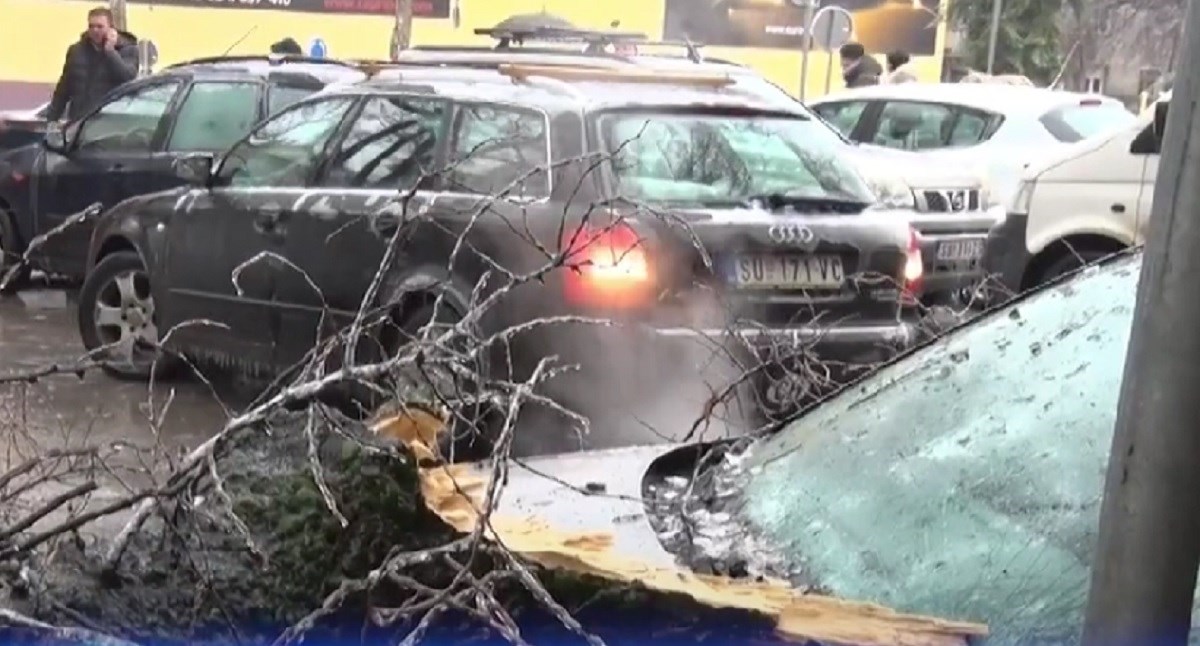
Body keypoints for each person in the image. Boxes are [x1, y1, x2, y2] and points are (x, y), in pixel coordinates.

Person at [45, 7, 139, 124]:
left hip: (109, 121)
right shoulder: (77, 50)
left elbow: (128, 78)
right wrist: (52, 118)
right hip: (79, 120)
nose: (95, 30)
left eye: (100, 26)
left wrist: (110, 52)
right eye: (91, 26)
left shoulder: (128, 49)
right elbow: (64, 87)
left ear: (111, 28)